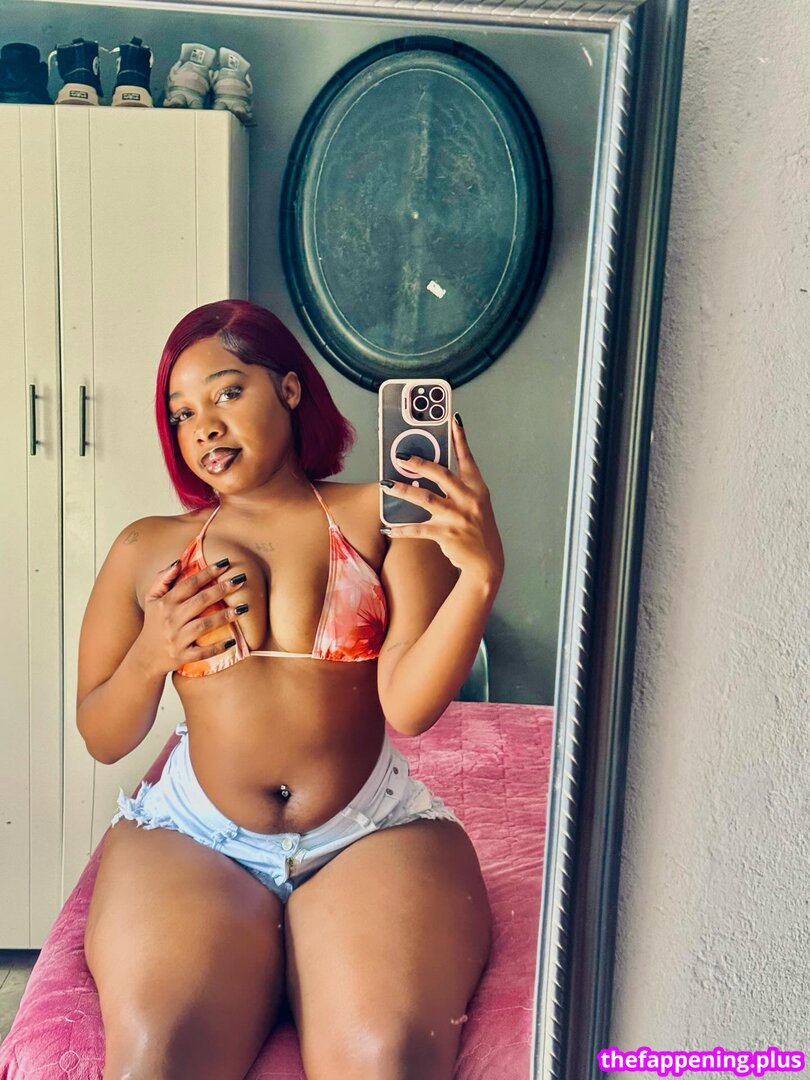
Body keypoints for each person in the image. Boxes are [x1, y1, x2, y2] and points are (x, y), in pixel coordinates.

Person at [79, 299, 505, 1080]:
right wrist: (150, 656)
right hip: (195, 838)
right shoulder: (145, 547)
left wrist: (480, 575)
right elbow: (102, 734)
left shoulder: (385, 517)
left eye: (226, 392)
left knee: (388, 1061)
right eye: (181, 413)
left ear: (289, 388)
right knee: (156, 1060)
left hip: (367, 833)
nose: (203, 427)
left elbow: (410, 706)